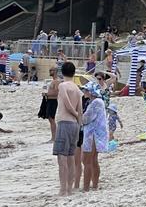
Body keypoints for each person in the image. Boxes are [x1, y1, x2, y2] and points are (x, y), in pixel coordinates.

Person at [53, 61, 82, 196]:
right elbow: (80, 108)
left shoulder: (63, 85)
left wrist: (75, 114)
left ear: (62, 72)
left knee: (62, 157)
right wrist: (79, 120)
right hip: (75, 125)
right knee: (71, 157)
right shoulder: (77, 88)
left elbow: (67, 103)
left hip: (65, 122)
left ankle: (63, 189)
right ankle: (69, 189)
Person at [81, 82, 108, 192]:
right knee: (93, 160)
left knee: (87, 160)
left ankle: (86, 187)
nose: (84, 92)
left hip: (93, 134)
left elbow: (86, 119)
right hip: (96, 134)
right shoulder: (98, 101)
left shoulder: (95, 103)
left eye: (86, 90)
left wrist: (78, 115)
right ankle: (94, 185)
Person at [38, 67, 60, 142]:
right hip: (49, 100)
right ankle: (53, 137)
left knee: (52, 119)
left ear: (55, 71)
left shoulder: (56, 81)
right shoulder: (53, 81)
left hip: (53, 101)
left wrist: (47, 94)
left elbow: (57, 92)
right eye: (50, 70)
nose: (50, 71)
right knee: (50, 119)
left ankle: (54, 137)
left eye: (51, 70)